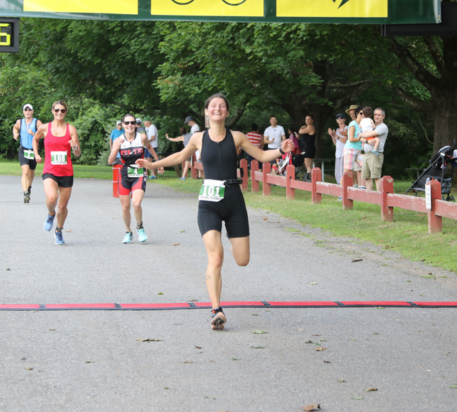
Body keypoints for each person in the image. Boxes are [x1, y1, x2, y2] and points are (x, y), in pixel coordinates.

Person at [136, 93, 293, 330]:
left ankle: (231, 239)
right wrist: (152, 164)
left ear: (227, 112)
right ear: (207, 112)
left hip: (233, 201)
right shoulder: (198, 137)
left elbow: (261, 156)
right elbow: (180, 156)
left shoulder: (237, 137)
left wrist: (280, 150)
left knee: (242, 260)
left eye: (222, 106)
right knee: (215, 257)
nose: (217, 109)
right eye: (213, 106)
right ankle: (216, 309)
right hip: (209, 203)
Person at [32, 101, 81, 246]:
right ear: (52, 110)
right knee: (52, 198)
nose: (59, 113)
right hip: (50, 170)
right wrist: (36, 154)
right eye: (57, 110)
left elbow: (78, 154)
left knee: (62, 206)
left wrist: (75, 147)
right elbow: (35, 139)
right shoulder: (45, 128)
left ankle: (58, 231)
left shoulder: (71, 129)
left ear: (66, 112)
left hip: (66, 172)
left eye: (63, 110)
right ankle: (50, 214)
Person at [109, 114, 162, 244]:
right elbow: (110, 161)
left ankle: (140, 227)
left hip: (139, 173)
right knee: (125, 208)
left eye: (132, 122)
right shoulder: (118, 140)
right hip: (125, 175)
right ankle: (128, 231)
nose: (130, 125)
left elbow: (149, 147)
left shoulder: (142, 137)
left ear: (135, 124)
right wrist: (116, 148)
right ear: (122, 125)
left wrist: (157, 162)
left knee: (136, 203)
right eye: (126, 123)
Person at [12, 103, 43, 204]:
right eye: (26, 110)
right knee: (25, 172)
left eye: (30, 110)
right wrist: (15, 133)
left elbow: (45, 134)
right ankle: (25, 193)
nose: (28, 112)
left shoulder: (37, 122)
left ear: (32, 111)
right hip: (23, 150)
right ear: (23, 112)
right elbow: (15, 127)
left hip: (33, 151)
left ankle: (29, 187)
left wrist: (34, 134)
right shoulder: (20, 122)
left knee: (31, 173)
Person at [360, 108, 389, 191]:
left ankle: (380, 197)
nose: (376, 116)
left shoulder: (383, 127)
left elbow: (371, 134)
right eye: (375, 114)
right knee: (366, 177)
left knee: (376, 177)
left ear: (383, 116)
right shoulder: (371, 125)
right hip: (366, 153)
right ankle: (370, 198)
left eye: (379, 115)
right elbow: (363, 137)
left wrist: (363, 138)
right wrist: (365, 139)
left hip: (375, 155)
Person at [342, 107, 364, 188]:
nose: (363, 115)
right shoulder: (353, 124)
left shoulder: (363, 125)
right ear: (357, 114)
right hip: (350, 149)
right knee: (348, 171)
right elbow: (351, 139)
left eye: (364, 114)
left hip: (359, 150)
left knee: (365, 165)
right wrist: (361, 139)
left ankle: (362, 187)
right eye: (361, 113)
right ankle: (341, 193)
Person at [328, 113, 348, 187]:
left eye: (341, 118)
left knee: (343, 172)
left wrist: (336, 135)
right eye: (337, 118)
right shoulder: (337, 129)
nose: (339, 119)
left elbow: (345, 141)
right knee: (337, 172)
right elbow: (336, 143)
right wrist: (332, 136)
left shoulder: (347, 128)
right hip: (338, 153)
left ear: (344, 119)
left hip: (344, 153)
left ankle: (343, 187)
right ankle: (339, 187)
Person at [298, 114, 316, 180]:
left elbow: (300, 131)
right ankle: (310, 178)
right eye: (306, 119)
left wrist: (302, 128)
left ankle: (309, 178)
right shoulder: (307, 128)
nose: (307, 120)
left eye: (309, 119)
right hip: (306, 148)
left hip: (309, 148)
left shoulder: (310, 127)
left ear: (312, 120)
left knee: (308, 164)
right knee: (308, 165)